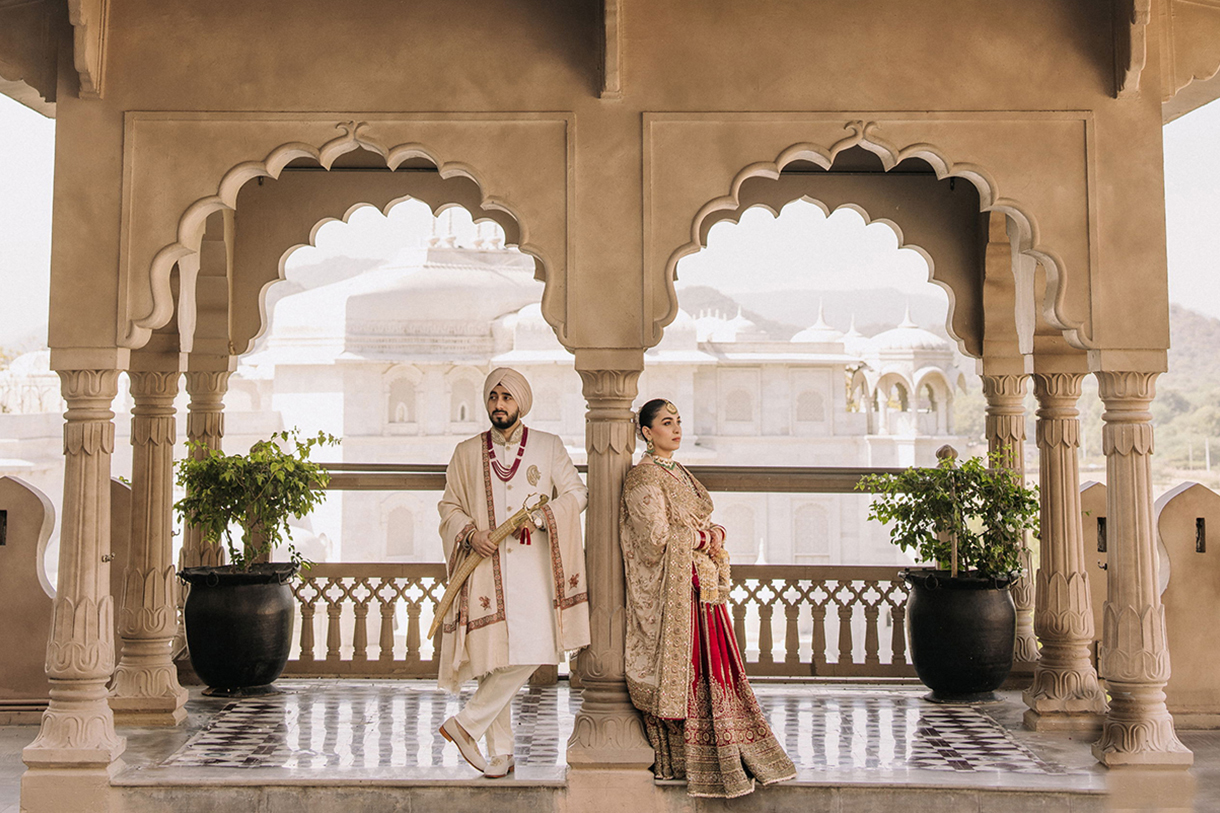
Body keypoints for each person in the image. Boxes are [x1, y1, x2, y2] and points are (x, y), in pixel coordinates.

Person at [619, 398, 796, 798]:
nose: (676, 429)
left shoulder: (677, 471)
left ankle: (731, 753)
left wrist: (711, 533)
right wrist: (705, 538)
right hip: (680, 596)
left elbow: (693, 522)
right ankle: (691, 761)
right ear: (647, 432)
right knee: (695, 678)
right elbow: (655, 539)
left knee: (719, 675)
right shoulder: (643, 478)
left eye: (678, 421)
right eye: (667, 423)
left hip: (701, 590)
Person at [436, 367, 589, 778]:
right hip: (484, 569)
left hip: (534, 570)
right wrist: (470, 534)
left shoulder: (547, 446)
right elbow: (449, 507)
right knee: (492, 659)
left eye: (506, 397)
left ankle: (467, 723)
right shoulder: (466, 453)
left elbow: (577, 492)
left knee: (537, 649)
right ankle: (501, 753)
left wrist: (541, 519)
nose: (499, 405)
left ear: (521, 401)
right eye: (493, 397)